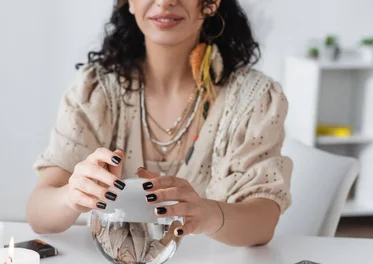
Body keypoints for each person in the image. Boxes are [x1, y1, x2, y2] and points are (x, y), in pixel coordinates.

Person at [27, 0, 292, 247]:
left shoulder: (254, 97)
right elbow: (39, 213)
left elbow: (264, 222)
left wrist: (209, 214)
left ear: (212, 3)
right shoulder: (95, 90)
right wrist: (72, 196)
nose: (165, 2)